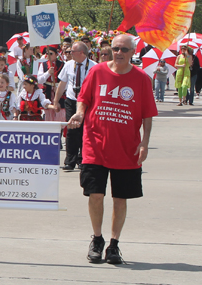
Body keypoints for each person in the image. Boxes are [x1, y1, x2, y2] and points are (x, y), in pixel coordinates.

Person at [67, 34, 157, 264]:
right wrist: (79, 112)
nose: (119, 53)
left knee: (120, 198)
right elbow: (83, 99)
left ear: (132, 53)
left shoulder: (142, 80)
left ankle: (114, 245)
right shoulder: (97, 72)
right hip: (95, 145)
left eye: (124, 50)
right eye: (115, 48)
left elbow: (147, 115)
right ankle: (97, 239)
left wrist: (145, 142)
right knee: (95, 195)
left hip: (126, 149)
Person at [54, 41, 97, 171]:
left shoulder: (94, 67)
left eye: (72, 51)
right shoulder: (68, 65)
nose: (69, 53)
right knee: (72, 131)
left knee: (85, 131)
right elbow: (62, 83)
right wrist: (56, 101)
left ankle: (83, 159)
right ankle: (70, 161)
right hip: (71, 100)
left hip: (87, 102)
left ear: (81, 53)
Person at [37, 45, 66, 122]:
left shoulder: (63, 65)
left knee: (61, 113)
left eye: (51, 53)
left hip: (59, 90)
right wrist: (48, 73)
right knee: (48, 113)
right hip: (48, 90)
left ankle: (60, 130)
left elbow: (66, 80)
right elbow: (40, 80)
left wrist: (60, 88)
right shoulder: (43, 65)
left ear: (56, 55)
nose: (48, 55)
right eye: (47, 53)